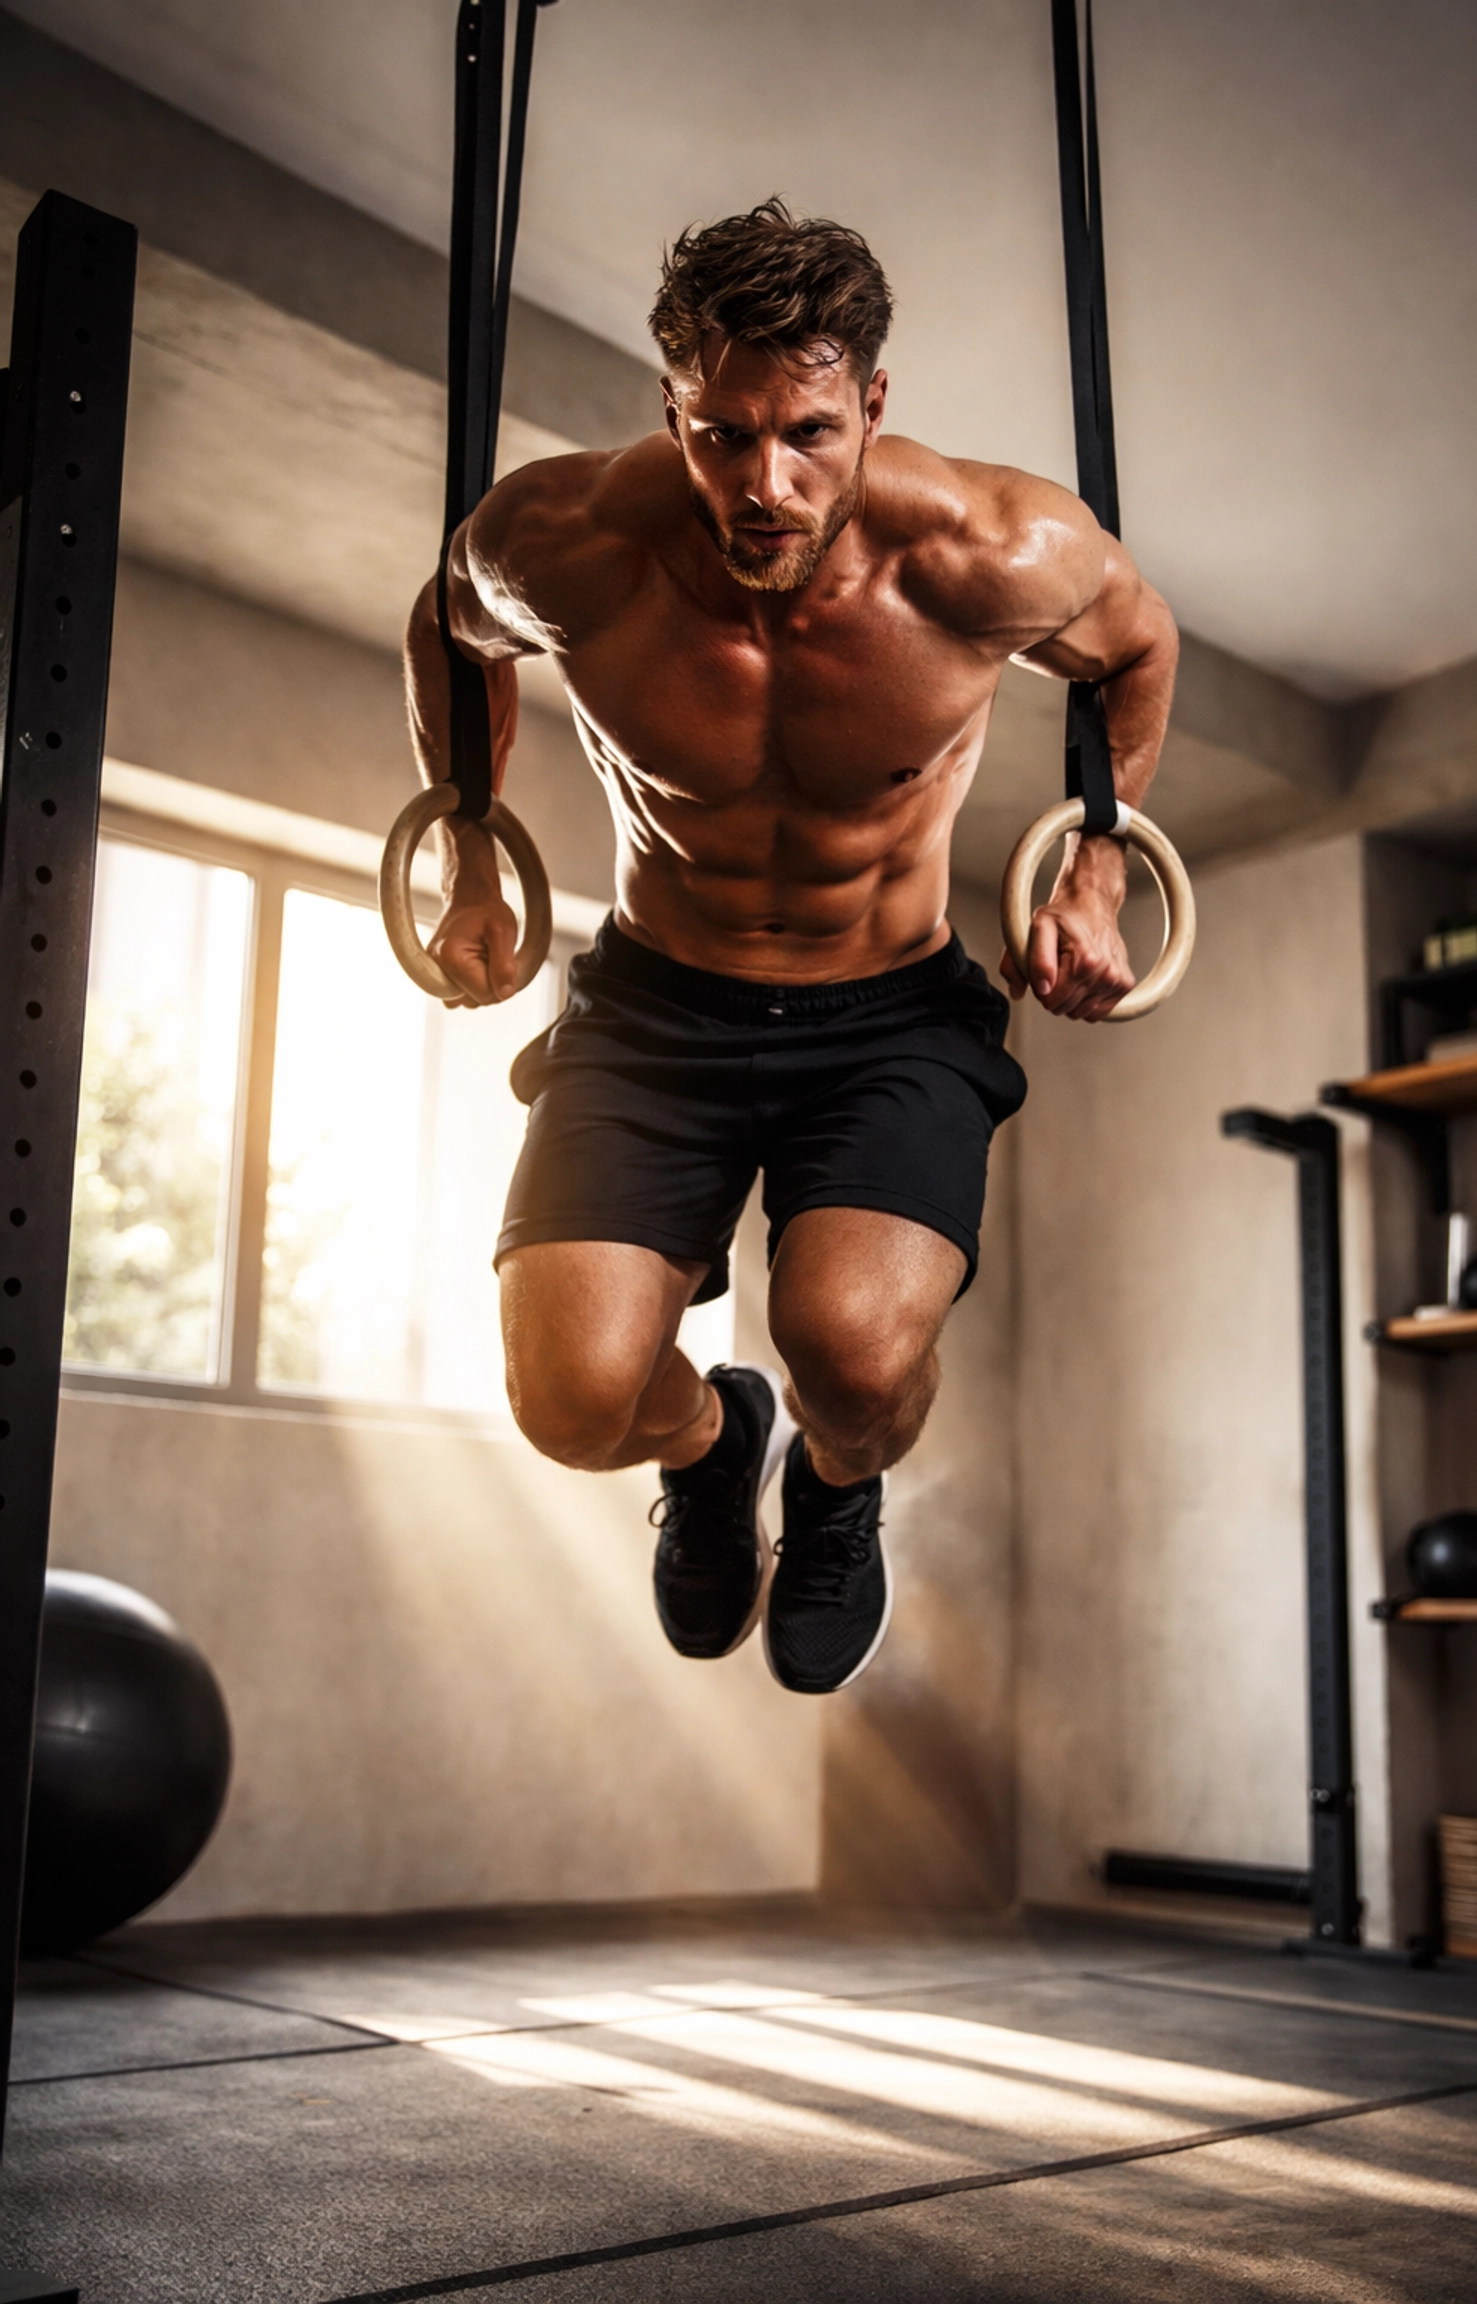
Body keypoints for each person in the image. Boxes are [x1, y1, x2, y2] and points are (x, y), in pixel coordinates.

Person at [404, 199, 1177, 1697]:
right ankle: (713, 1443)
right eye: (724, 434)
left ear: (872, 405)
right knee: (570, 1403)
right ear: (673, 410)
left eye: (810, 433)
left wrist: (1098, 869)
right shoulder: (568, 544)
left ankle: (834, 1482)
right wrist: (470, 841)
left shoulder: (992, 552)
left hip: (888, 1016)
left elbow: (1141, 643)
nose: (765, 483)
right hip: (654, 1009)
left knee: (858, 1355)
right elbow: (450, 625)